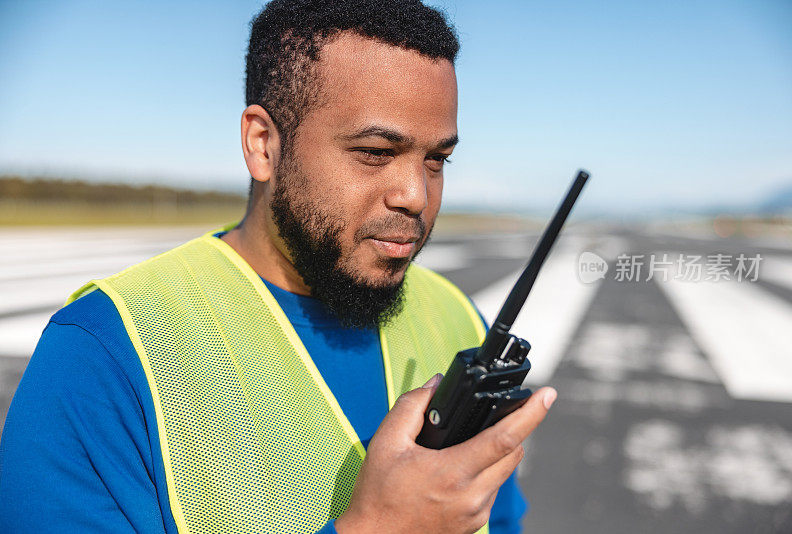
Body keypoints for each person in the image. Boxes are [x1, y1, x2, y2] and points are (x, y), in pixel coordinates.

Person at [0, 1, 557, 532]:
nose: (416, 194)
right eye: (374, 153)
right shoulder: (104, 352)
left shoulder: (458, 320)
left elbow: (498, 520)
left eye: (436, 159)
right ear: (263, 144)